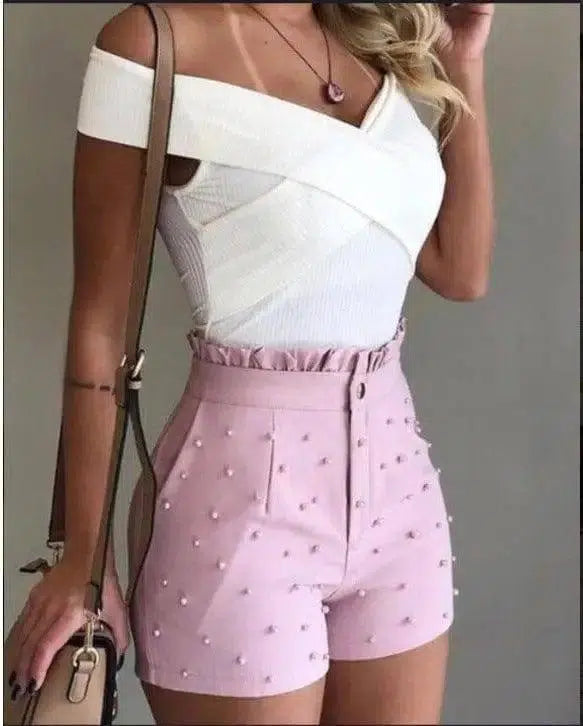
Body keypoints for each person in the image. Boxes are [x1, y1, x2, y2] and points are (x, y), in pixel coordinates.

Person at [7, 3, 495, 724]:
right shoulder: (150, 42)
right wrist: (85, 556)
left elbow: (461, 270)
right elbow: (101, 325)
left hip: (401, 499)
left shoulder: (370, 40)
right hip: (235, 507)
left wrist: (461, 63)